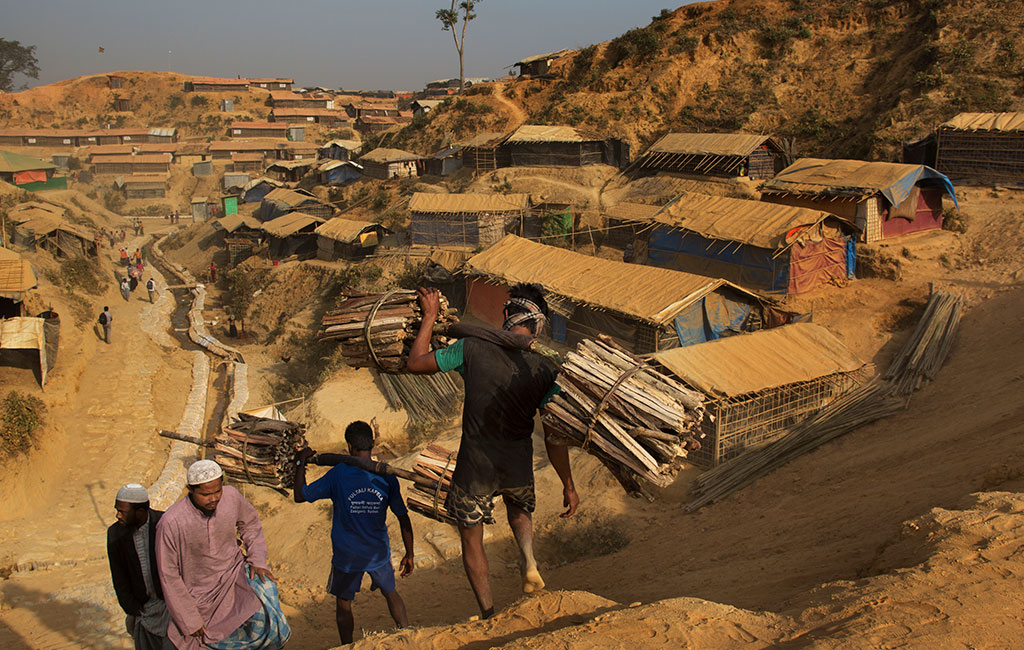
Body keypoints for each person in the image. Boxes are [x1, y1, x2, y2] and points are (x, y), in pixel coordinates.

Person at [406, 284, 579, 619]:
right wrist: (568, 485)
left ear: (506, 315)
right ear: (538, 325)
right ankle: (527, 556)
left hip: (475, 465)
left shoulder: (470, 348)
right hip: (517, 462)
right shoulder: (545, 370)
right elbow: (555, 437)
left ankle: (488, 613)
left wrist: (429, 317)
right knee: (519, 510)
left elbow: (415, 363)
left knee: (472, 538)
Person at [293, 422, 414, 645]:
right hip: (377, 552)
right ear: (373, 444)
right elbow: (402, 516)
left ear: (349, 446)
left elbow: (300, 495)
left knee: (343, 602)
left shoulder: (338, 474)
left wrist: (300, 463)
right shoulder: (387, 475)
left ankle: (347, 645)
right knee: (391, 593)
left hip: (347, 555)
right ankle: (407, 634)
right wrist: (410, 553)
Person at [156, 460, 290, 650]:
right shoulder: (171, 522)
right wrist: (189, 618)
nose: (213, 498)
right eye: (205, 494)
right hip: (199, 593)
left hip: (234, 575)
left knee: (267, 598)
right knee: (193, 639)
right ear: (190, 490)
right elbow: (168, 573)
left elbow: (250, 524)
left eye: (217, 491)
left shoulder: (231, 497)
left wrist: (257, 560)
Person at [107, 483, 173, 650]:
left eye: (122, 511)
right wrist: (132, 608)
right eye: (117, 510)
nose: (118, 515)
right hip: (143, 612)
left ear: (141, 512)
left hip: (171, 608)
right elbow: (119, 576)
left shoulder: (165, 523)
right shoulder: (115, 534)